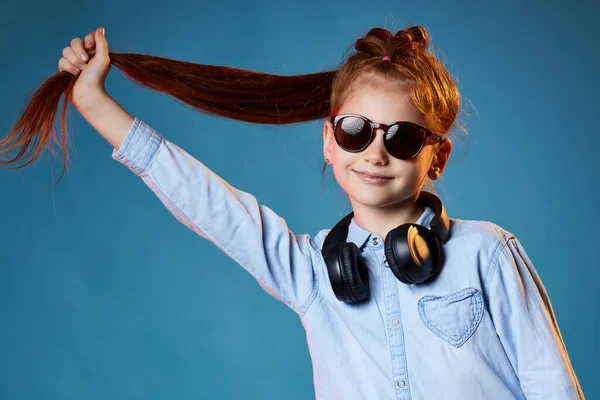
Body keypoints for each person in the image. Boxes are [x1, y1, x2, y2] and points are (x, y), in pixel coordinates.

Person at [1, 25, 585, 399]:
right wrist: (94, 104)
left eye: (403, 137)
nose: (376, 152)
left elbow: (551, 386)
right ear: (329, 142)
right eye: (356, 132)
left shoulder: (488, 252)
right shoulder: (308, 273)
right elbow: (205, 201)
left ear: (437, 156)